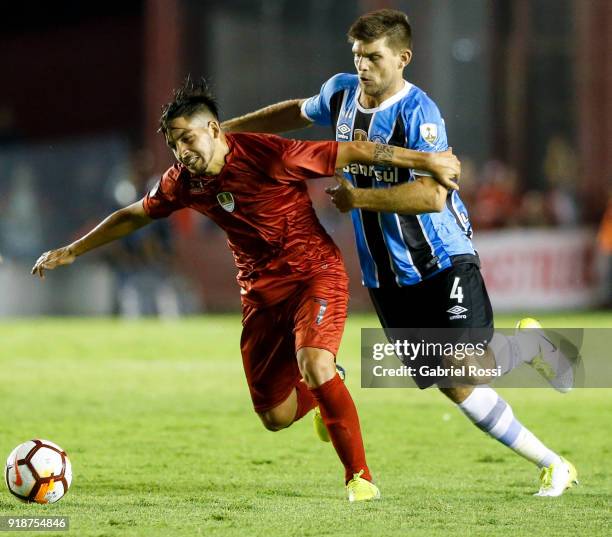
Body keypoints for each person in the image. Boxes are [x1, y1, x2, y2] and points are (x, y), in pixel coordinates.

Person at [31, 77, 460, 502]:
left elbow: (356, 150)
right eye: (173, 144)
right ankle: (324, 387)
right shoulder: (183, 181)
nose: (182, 151)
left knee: (314, 362)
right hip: (260, 296)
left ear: (215, 130)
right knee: (276, 416)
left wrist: (427, 161)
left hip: (315, 275)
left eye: (187, 138)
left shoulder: (271, 154)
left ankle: (359, 478)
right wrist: (73, 249)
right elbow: (135, 215)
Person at [221, 8, 578, 497]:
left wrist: (358, 198)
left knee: (462, 367)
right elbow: (294, 111)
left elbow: (434, 196)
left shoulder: (420, 115)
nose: (363, 66)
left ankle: (543, 401)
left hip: (440, 259)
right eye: (357, 56)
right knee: (454, 385)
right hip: (385, 277)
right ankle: (548, 435)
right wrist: (231, 134)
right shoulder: (342, 92)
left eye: (373, 57)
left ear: (402, 58)